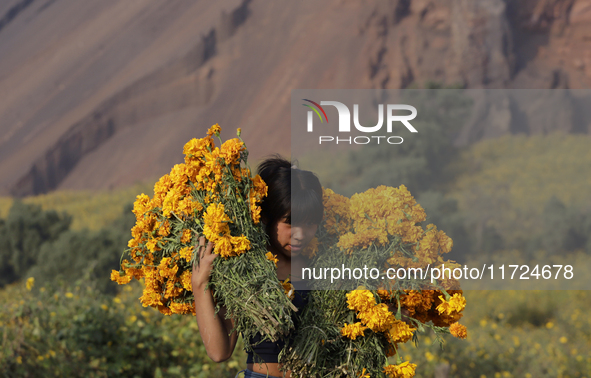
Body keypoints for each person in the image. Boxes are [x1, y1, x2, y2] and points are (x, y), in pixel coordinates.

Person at [191, 156, 324, 378]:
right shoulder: (246, 269)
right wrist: (200, 283)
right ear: (267, 217)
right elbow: (218, 352)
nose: (301, 235)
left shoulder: (322, 264)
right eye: (290, 222)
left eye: (310, 223)